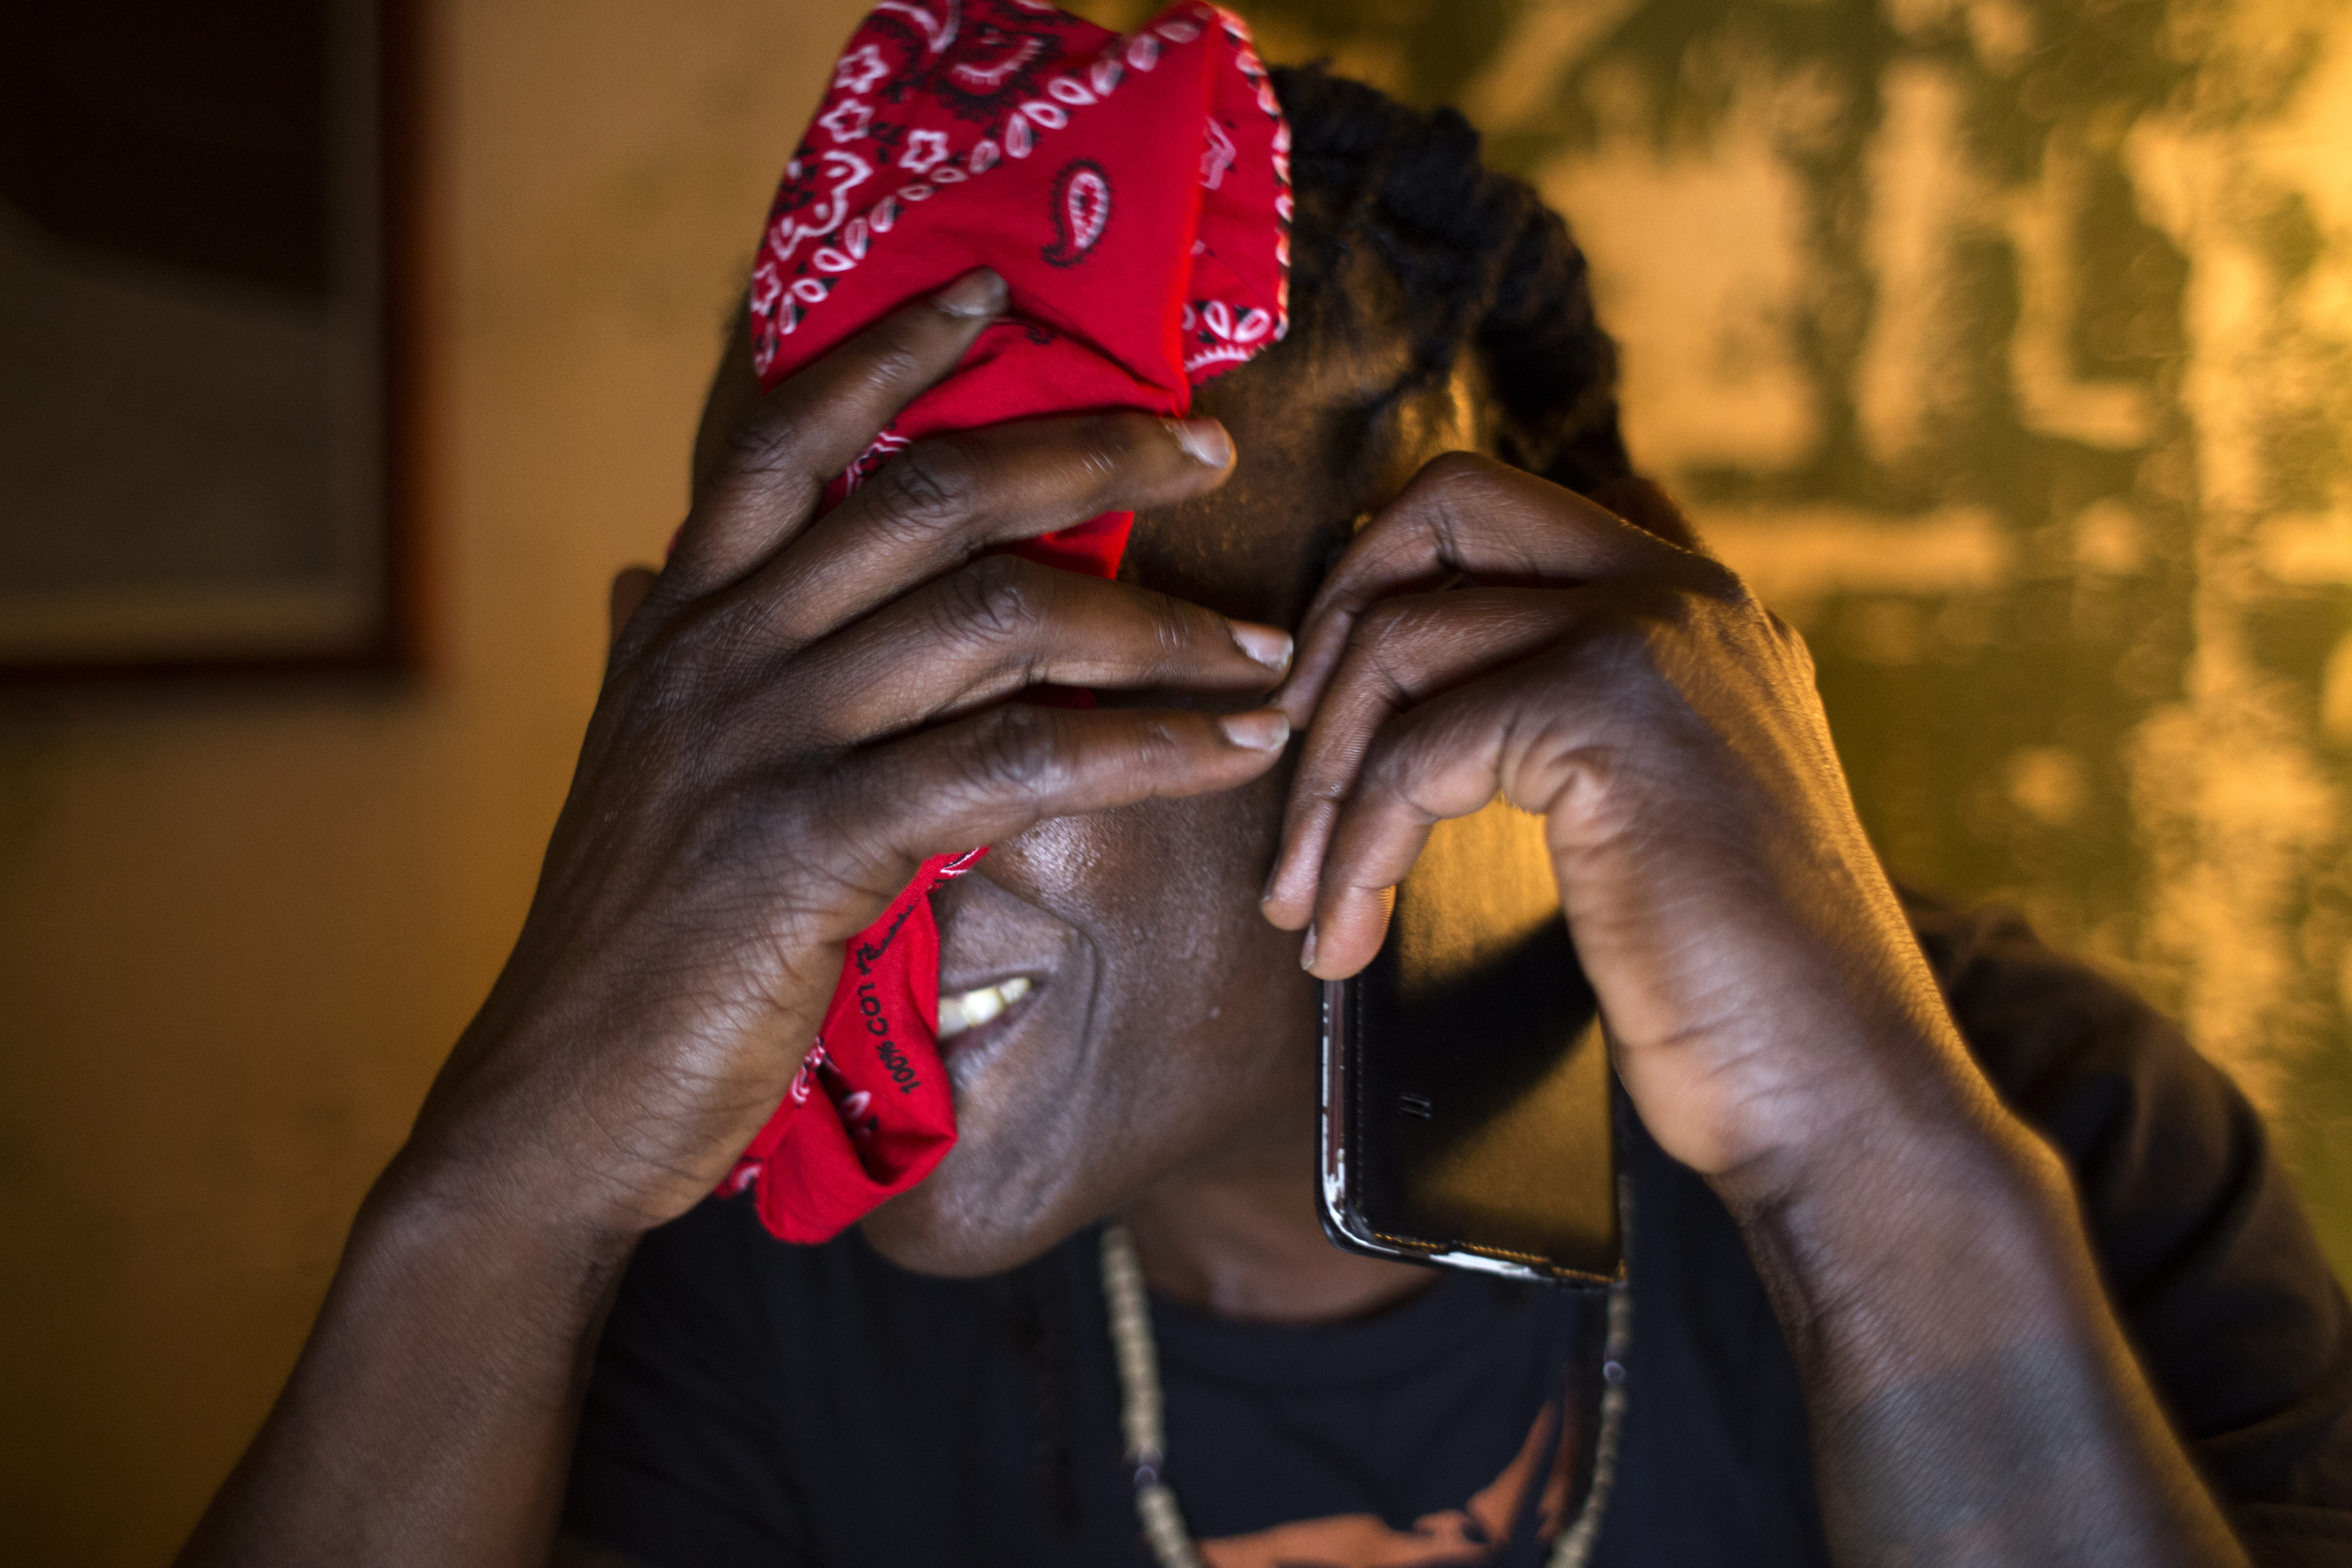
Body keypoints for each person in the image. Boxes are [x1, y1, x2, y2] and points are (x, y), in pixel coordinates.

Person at [174, 64, 2352, 1568]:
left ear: (1469, 626)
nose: (846, 816)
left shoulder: (2048, 1124)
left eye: (1008, 620)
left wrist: (1865, 1162)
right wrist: (498, 1195)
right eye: (784, 651)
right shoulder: (752, 1295)